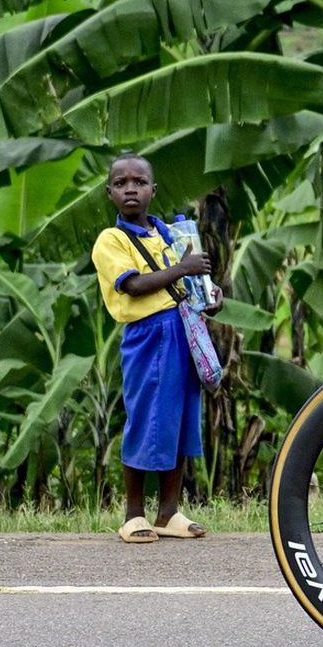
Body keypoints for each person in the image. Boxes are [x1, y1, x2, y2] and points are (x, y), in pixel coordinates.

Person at [91, 154, 223, 543]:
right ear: (110, 193)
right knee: (144, 419)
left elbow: (183, 286)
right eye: (120, 183)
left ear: (153, 190)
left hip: (182, 329)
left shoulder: (169, 234)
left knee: (179, 421)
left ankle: (169, 512)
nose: (130, 189)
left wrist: (209, 296)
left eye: (139, 182)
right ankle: (133, 514)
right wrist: (183, 268)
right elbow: (133, 286)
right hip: (147, 335)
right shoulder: (111, 240)